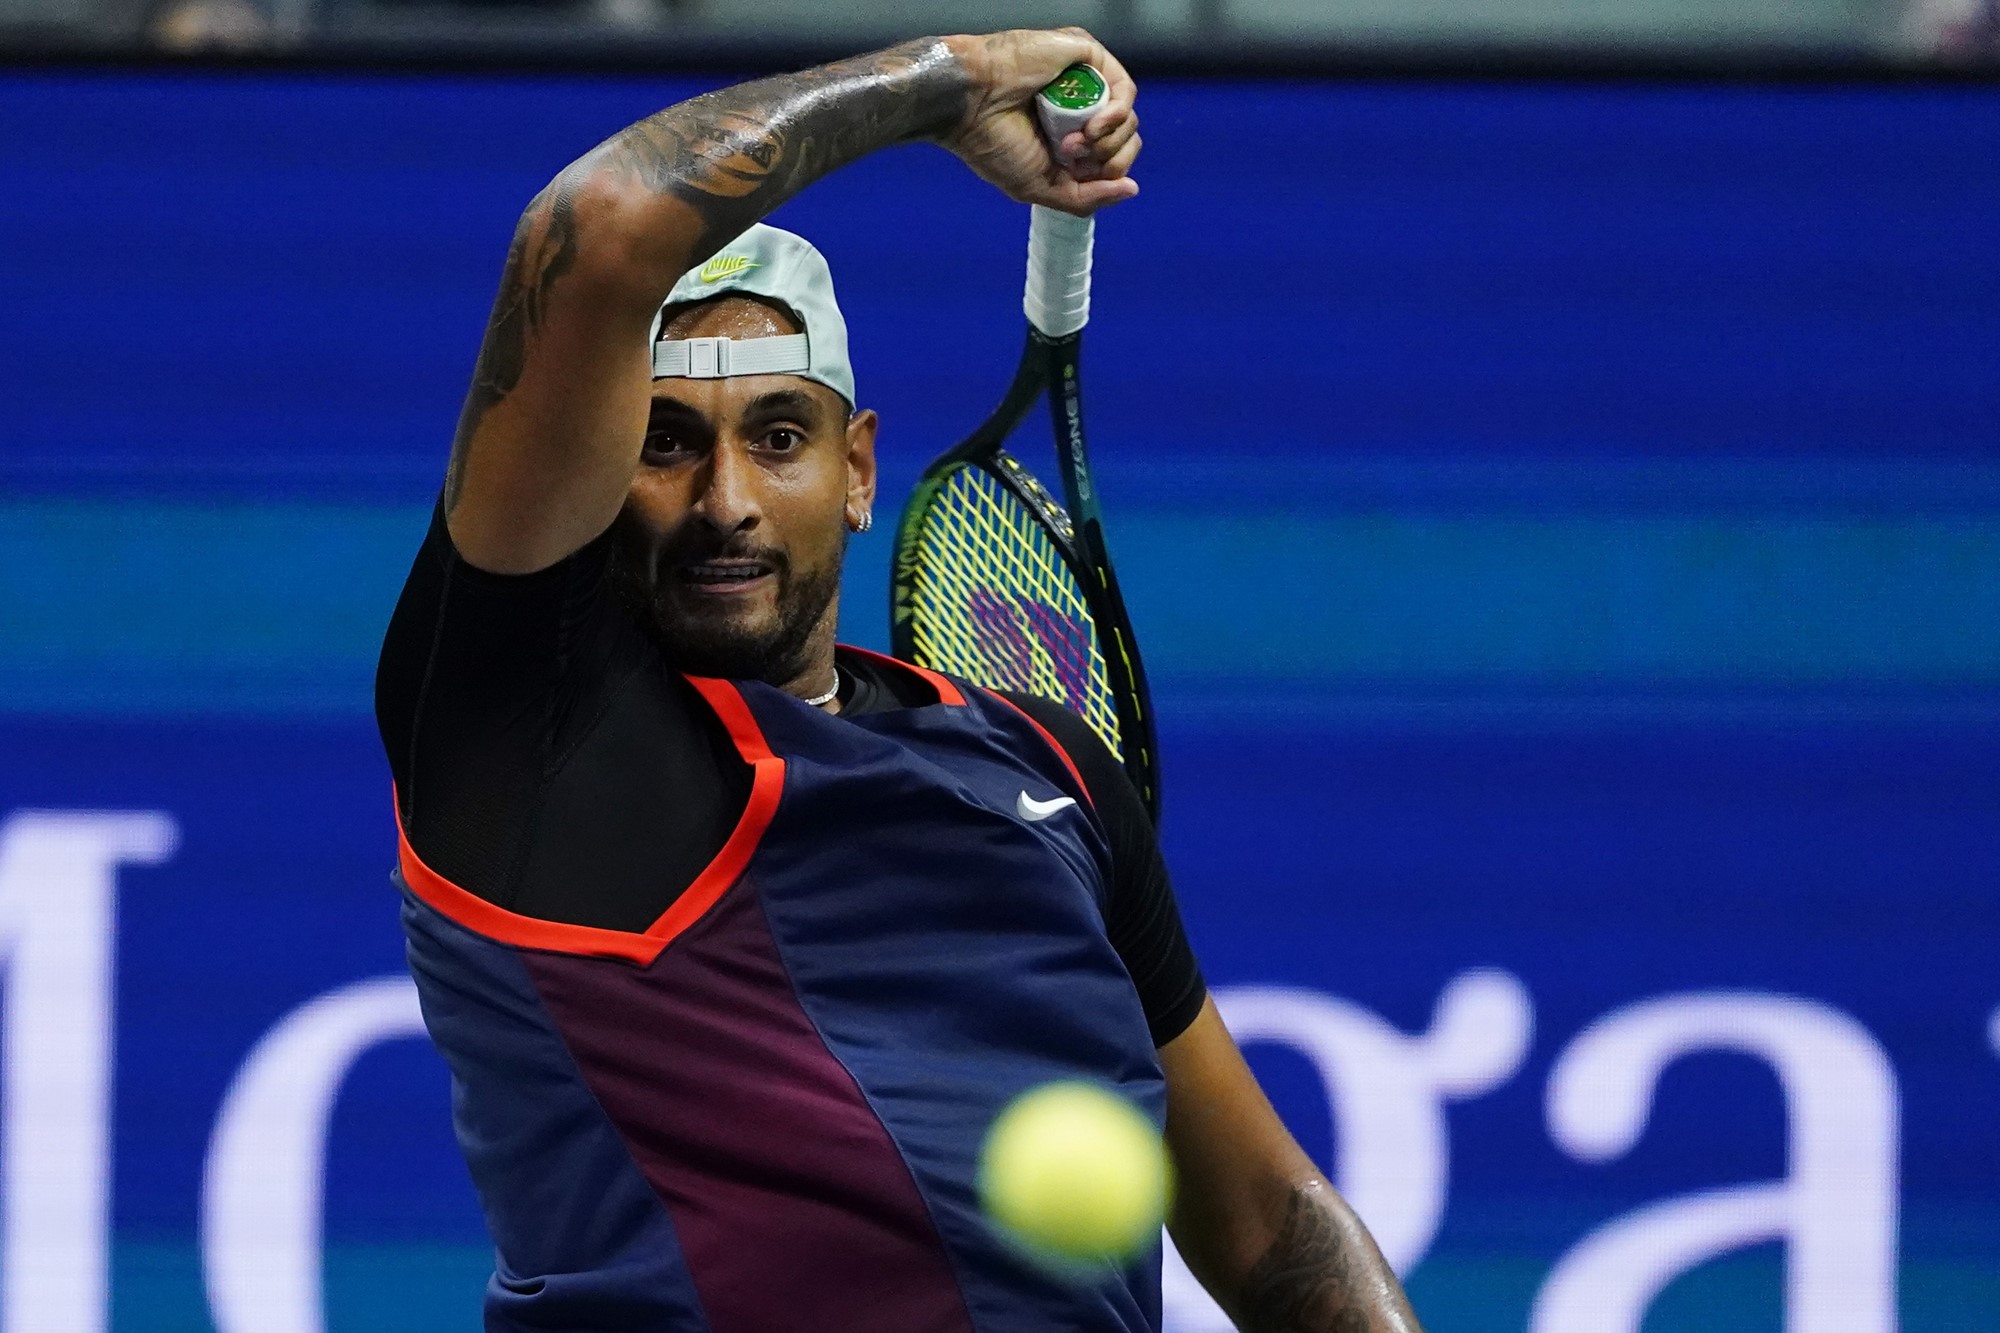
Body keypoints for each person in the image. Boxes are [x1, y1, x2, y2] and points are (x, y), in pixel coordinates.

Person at [375, 26, 1424, 1333]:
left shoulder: (1043, 766)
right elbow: (599, 224)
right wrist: (961, 79)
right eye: (664, 444)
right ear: (595, 472)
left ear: (859, 468)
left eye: (778, 436)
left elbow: (1269, 1218)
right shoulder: (528, 742)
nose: (726, 502)